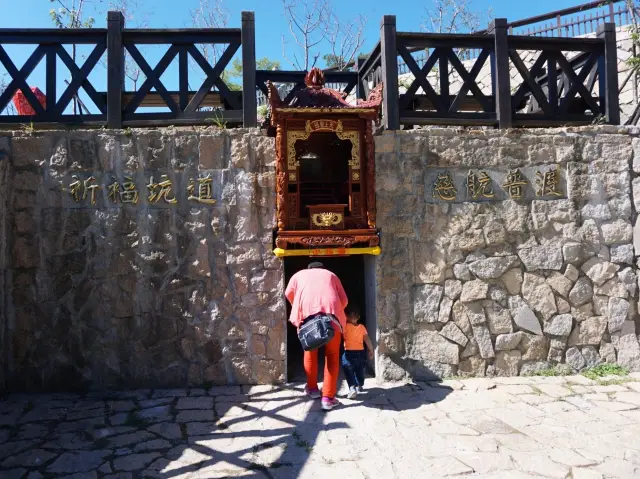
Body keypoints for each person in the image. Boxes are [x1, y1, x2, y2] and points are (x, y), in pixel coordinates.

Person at [285, 261, 348, 411]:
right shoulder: (331, 275)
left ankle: (312, 389)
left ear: (309, 269)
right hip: (331, 319)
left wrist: (299, 304)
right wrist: (334, 308)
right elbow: (344, 300)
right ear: (322, 269)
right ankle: (327, 398)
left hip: (308, 321)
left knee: (310, 353)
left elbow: (288, 293)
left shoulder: (298, 275)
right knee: (332, 356)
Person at [341, 304, 374, 399]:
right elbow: (367, 339)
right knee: (359, 369)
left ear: (346, 316)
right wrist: (371, 349)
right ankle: (359, 384)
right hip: (360, 353)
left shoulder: (345, 326)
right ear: (358, 317)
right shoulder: (362, 327)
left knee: (348, 369)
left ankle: (352, 387)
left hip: (349, 353)